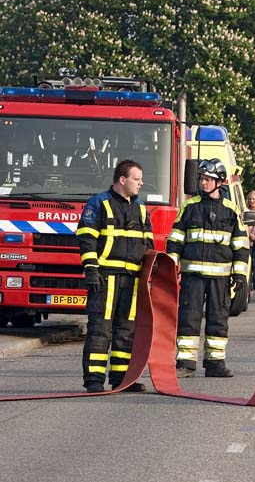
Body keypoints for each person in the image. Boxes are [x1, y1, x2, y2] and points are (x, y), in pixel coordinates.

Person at [167, 158, 250, 378]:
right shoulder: (189, 206)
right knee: (188, 318)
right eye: (202, 178)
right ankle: (185, 363)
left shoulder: (230, 210)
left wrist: (240, 275)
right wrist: (170, 264)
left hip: (220, 278)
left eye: (208, 179)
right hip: (192, 275)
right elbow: (175, 239)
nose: (203, 183)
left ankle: (215, 363)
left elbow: (241, 245)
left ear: (219, 182)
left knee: (218, 318)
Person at [78, 160, 153, 393]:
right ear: (123, 179)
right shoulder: (99, 203)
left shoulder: (140, 208)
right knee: (100, 329)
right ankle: (94, 380)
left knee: (126, 330)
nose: (141, 183)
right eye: (136, 179)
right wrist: (91, 270)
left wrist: (153, 271)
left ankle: (121, 379)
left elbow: (148, 243)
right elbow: (86, 238)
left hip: (132, 279)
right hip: (105, 277)